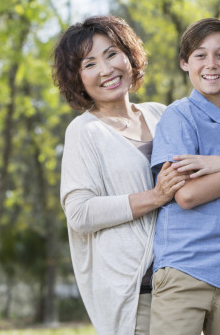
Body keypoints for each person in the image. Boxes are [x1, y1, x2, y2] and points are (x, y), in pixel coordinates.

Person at [53, 16, 189, 335]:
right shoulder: (84, 132)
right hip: (136, 293)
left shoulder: (162, 114)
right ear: (77, 78)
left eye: (112, 53)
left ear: (130, 56)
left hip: (186, 282)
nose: (106, 69)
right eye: (89, 63)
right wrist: (155, 197)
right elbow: (80, 213)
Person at [148, 18, 220, 335]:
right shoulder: (178, 116)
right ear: (185, 63)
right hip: (185, 269)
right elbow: (186, 195)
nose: (210, 64)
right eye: (200, 55)